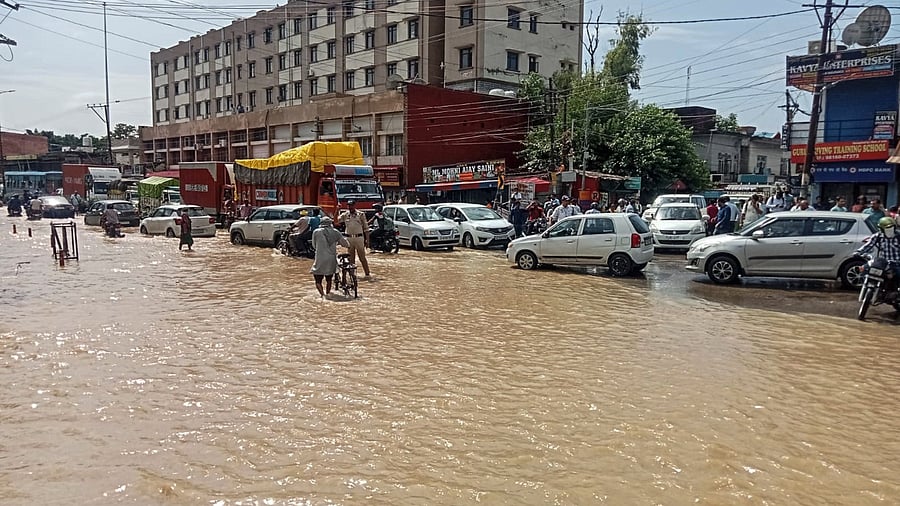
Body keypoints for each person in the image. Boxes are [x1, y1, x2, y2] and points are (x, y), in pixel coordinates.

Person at [310, 217, 350, 298]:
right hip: (331, 259)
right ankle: (328, 293)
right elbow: (345, 244)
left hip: (320, 258)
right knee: (329, 279)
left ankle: (322, 295)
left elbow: (314, 246)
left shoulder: (316, 232)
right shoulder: (336, 232)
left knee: (318, 279)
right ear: (330, 223)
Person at [856, 217, 900, 290]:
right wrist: (858, 252)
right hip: (882, 263)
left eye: (891, 227)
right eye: (886, 228)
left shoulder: (898, 237)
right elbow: (868, 245)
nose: (889, 230)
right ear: (881, 229)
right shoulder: (878, 236)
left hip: (896, 263)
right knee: (865, 269)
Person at [337, 199, 371, 278]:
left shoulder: (361, 214)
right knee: (350, 258)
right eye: (348, 205)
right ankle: (352, 275)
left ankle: (367, 274)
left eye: (351, 205)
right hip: (349, 238)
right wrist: (337, 210)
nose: (350, 207)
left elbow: (366, 229)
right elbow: (336, 221)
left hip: (359, 237)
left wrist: (368, 242)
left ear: (354, 205)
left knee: (362, 257)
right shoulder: (345, 215)